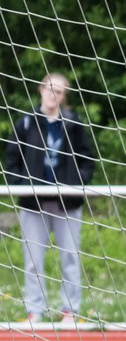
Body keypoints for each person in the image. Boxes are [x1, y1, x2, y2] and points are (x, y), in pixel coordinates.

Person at [4, 72, 96, 326]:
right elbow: (12, 159)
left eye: (59, 91)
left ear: (64, 96)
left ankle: (70, 311)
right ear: (40, 90)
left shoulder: (73, 123)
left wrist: (77, 183)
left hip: (67, 202)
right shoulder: (26, 123)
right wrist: (21, 186)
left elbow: (87, 159)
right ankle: (35, 311)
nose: (53, 95)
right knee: (33, 259)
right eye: (49, 89)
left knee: (69, 257)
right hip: (33, 203)